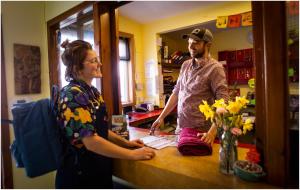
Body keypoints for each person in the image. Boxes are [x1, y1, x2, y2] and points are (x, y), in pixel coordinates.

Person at [56, 40, 155, 188]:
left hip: (98, 168)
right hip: (79, 175)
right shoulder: (72, 95)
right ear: (78, 68)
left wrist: (127, 143)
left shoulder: (93, 92)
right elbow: (90, 141)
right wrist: (132, 154)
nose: (100, 64)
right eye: (93, 61)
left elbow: (100, 130)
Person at [150, 28, 229, 145]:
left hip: (202, 132)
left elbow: (222, 103)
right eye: (189, 43)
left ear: (208, 45)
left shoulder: (215, 68)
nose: (191, 46)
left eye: (196, 43)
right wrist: (161, 117)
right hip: (181, 128)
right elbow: (176, 93)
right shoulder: (185, 65)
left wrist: (212, 132)